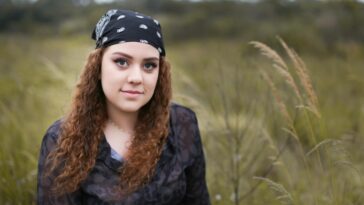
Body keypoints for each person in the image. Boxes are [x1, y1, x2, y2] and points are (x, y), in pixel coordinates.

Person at [36, 9, 211, 205]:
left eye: (149, 65)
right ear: (98, 67)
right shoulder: (61, 139)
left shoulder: (182, 124)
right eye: (121, 62)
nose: (136, 78)